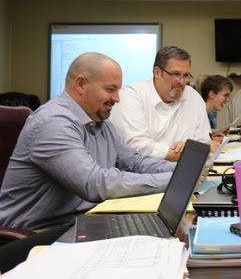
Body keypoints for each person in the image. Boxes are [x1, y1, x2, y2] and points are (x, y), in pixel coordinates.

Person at [0, 53, 180, 231]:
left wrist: (184, 170)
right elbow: (95, 184)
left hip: (81, 223)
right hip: (35, 234)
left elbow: (135, 162)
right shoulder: (53, 122)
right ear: (81, 84)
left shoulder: (101, 122)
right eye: (110, 89)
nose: (117, 98)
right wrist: (175, 180)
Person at [110, 46, 215, 162]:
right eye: (175, 74)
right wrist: (185, 152)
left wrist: (191, 148)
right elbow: (136, 145)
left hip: (186, 169)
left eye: (186, 76)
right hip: (142, 174)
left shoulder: (193, 97)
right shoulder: (132, 95)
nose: (181, 81)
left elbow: (204, 143)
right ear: (157, 72)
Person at [199, 74, 234, 142]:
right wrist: (211, 141)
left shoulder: (204, 113)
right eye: (225, 95)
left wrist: (210, 133)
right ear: (211, 94)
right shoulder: (196, 114)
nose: (228, 100)